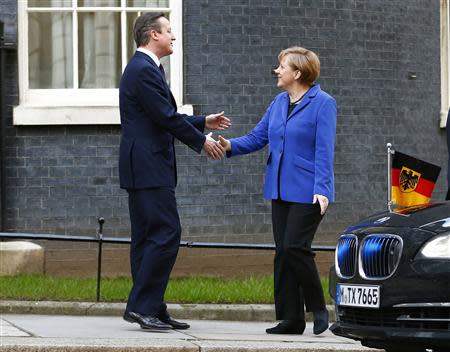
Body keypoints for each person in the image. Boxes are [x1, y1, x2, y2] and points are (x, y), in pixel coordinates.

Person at [119, 13, 230, 331]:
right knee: (167, 233)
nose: (173, 36)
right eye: (169, 31)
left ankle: (150, 306)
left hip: (143, 167)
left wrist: (202, 121)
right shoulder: (143, 70)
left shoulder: (146, 68)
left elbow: (160, 115)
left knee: (147, 237)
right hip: (148, 167)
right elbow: (165, 117)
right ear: (153, 35)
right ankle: (142, 307)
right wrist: (202, 141)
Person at [219, 47, 336, 335]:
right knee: (283, 253)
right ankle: (291, 319)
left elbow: (324, 150)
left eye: (281, 66)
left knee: (296, 247)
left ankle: (319, 308)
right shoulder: (278, 102)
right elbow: (259, 137)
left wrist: (322, 189)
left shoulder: (323, 103)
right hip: (280, 189)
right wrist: (230, 145)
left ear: (297, 72)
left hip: (309, 191)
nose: (277, 70)